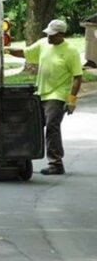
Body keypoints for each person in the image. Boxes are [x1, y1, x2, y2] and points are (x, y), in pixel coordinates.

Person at [5, 19, 82, 175]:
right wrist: (5, 49)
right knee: (29, 126)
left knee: (52, 126)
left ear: (61, 34)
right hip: (40, 93)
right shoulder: (43, 44)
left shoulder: (71, 51)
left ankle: (56, 163)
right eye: (48, 34)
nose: (49, 37)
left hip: (58, 95)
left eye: (52, 35)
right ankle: (21, 158)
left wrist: (72, 100)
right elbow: (25, 52)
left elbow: (78, 77)